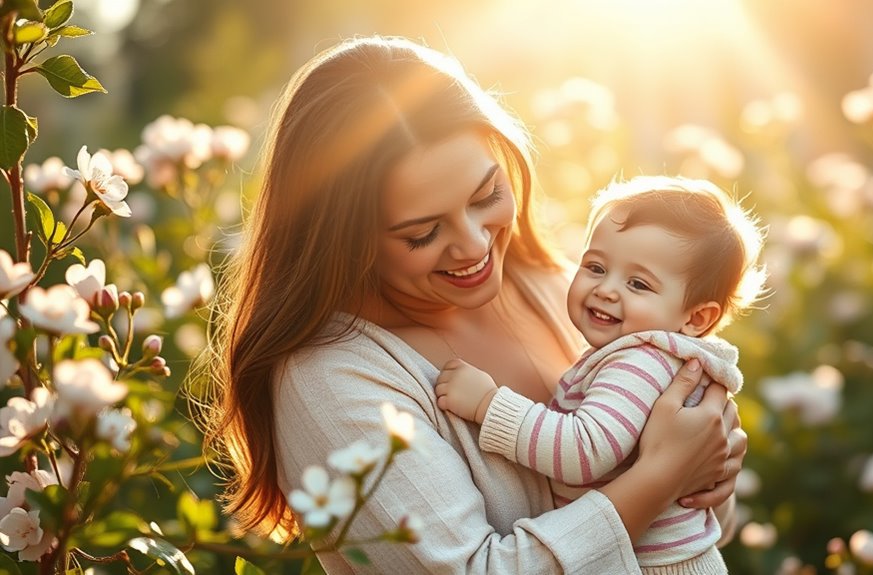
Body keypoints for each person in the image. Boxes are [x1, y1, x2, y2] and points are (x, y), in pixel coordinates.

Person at [195, 35, 747, 573]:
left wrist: (711, 468)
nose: (476, 246)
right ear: (341, 237)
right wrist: (662, 475)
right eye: (422, 233)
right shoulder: (330, 380)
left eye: (486, 197)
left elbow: (697, 536)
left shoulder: (561, 288)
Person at [435, 176, 767, 574]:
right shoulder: (643, 355)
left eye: (638, 283)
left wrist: (490, 406)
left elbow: (586, 452)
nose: (606, 289)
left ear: (696, 318)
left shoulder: (641, 362)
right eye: (595, 266)